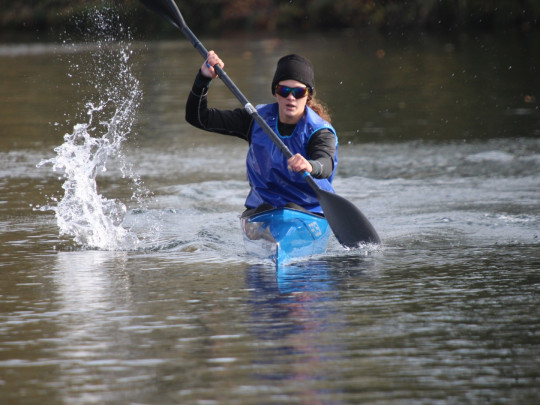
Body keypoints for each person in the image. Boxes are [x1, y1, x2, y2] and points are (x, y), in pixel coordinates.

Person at [185, 51, 338, 216]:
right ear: (275, 92)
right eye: (284, 90)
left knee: (291, 209)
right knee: (267, 209)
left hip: (309, 212)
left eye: (298, 92)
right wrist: (204, 78)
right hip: (262, 211)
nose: (291, 97)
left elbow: (326, 163)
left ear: (307, 95)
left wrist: (310, 165)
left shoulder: (320, 131)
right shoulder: (255, 119)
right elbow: (199, 118)